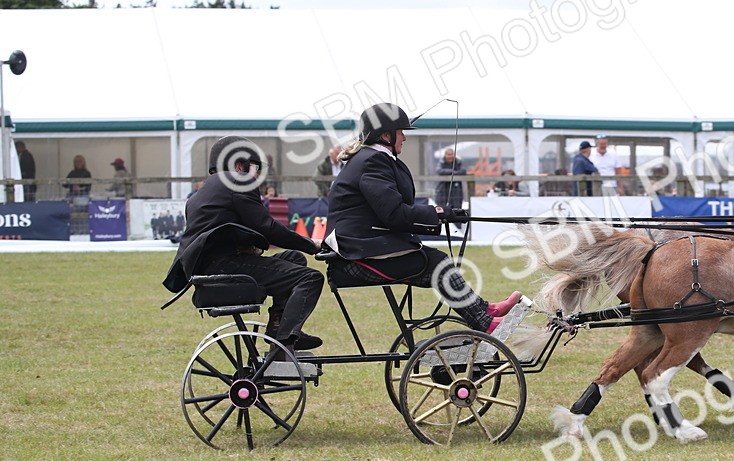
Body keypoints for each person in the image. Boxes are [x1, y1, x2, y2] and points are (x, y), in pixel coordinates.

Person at [325, 103, 522, 334]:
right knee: (437, 263)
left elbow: (392, 210)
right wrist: (436, 213)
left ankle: (483, 310)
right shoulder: (372, 161)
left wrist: (439, 214)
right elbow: (394, 214)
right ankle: (483, 321)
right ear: (386, 135)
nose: (404, 138)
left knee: (437, 261)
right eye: (401, 132)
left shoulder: (372, 158)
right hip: (355, 256)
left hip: (363, 248)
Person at [163, 136, 324, 350]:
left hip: (206, 267)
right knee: (310, 278)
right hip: (223, 265)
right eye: (256, 168)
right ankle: (285, 340)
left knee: (294, 258)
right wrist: (311, 244)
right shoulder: (238, 181)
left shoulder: (202, 193)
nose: (257, 175)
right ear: (240, 165)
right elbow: (267, 227)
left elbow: (231, 229)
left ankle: (278, 325)